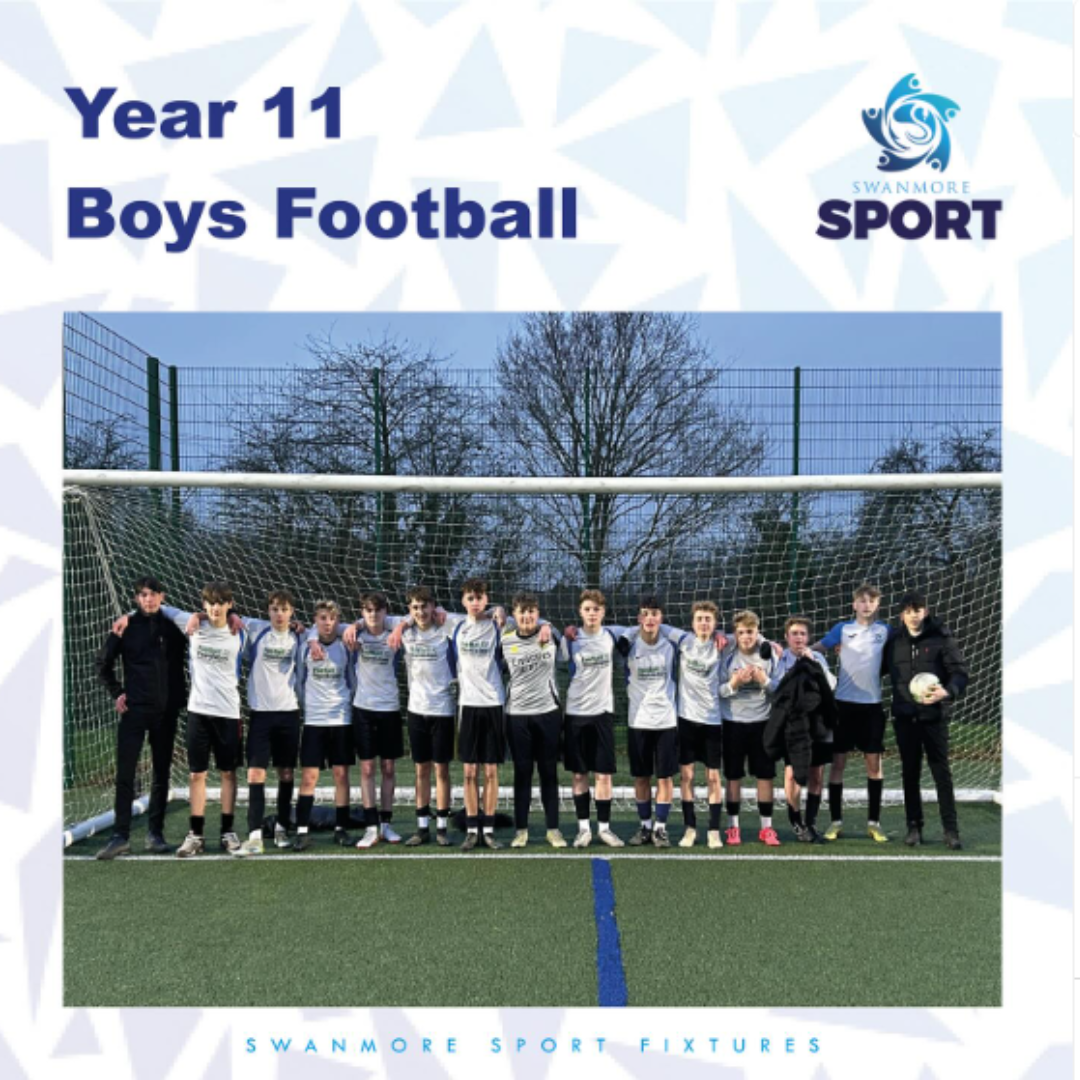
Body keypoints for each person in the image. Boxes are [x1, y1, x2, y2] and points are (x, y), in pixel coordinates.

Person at [150, 582, 247, 857]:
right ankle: (196, 835)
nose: (215, 608)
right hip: (198, 712)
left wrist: (307, 633)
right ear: (204, 604)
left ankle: (228, 832)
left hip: (229, 713)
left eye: (221, 603)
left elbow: (282, 623)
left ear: (230, 605)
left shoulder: (241, 630)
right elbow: (160, 606)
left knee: (228, 772)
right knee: (196, 774)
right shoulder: (192, 624)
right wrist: (197, 617)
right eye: (210, 603)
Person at [94, 576, 188, 859]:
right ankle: (120, 836)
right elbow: (103, 664)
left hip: (166, 711)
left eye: (153, 594)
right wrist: (117, 692)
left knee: (161, 772)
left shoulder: (175, 628)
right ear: (136, 599)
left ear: (163, 596)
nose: (148, 599)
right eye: (143, 595)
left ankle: (155, 834)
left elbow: (208, 619)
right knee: (126, 773)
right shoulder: (124, 628)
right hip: (135, 711)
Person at [881, 591, 969, 849]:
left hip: (934, 717)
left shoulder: (942, 638)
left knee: (941, 773)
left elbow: (960, 673)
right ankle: (914, 827)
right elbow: (878, 669)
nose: (913, 615)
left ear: (925, 611)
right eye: (908, 611)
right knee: (910, 773)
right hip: (905, 717)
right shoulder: (893, 641)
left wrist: (947, 691)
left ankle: (951, 831)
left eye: (917, 610)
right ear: (902, 615)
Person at [812, 584, 893, 843]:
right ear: (854, 605)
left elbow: (897, 656)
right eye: (862, 600)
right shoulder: (842, 630)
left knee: (874, 765)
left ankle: (874, 823)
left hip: (872, 707)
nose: (866, 604)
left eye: (872, 601)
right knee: (838, 765)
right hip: (843, 705)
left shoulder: (886, 631)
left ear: (878, 605)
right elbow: (816, 650)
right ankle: (836, 821)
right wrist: (791, 652)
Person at [230, 590, 304, 855]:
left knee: (286, 773)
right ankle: (254, 836)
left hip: (289, 713)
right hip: (260, 713)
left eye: (284, 609)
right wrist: (206, 617)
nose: (279, 614)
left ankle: (282, 828)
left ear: (292, 611)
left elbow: (328, 630)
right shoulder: (256, 629)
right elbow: (227, 614)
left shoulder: (300, 635)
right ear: (268, 612)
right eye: (274, 609)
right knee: (255, 773)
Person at [559, 589, 630, 848]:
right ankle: (583, 829)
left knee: (604, 775)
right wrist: (562, 631)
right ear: (580, 611)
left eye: (596, 609)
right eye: (587, 609)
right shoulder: (570, 640)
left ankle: (604, 829)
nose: (592, 613)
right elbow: (548, 639)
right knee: (579, 774)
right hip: (575, 714)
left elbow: (642, 628)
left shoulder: (611, 635)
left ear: (603, 612)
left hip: (602, 714)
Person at [387, 586, 455, 846]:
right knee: (421, 770)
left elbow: (484, 615)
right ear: (409, 610)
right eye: (415, 607)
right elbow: (370, 618)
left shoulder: (445, 628)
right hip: (416, 710)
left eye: (424, 606)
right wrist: (399, 627)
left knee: (442, 770)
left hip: (443, 710)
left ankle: (441, 826)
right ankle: (422, 827)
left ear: (433, 607)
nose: (420, 611)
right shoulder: (405, 632)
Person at [340, 592, 406, 848]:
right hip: (363, 708)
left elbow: (412, 618)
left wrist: (399, 626)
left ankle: (386, 825)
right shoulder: (354, 633)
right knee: (367, 768)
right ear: (362, 612)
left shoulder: (395, 630)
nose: (373, 616)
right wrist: (355, 625)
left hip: (389, 707)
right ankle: (370, 827)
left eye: (378, 611)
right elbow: (322, 628)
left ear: (385, 612)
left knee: (388, 767)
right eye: (368, 611)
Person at [501, 593, 565, 848]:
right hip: (516, 715)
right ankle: (521, 830)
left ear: (538, 614)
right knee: (522, 773)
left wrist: (547, 625)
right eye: (521, 612)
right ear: (514, 615)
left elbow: (567, 648)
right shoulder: (504, 641)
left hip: (548, 713)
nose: (527, 617)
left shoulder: (551, 636)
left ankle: (553, 829)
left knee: (548, 772)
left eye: (532, 612)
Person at [617, 595, 681, 848]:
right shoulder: (629, 643)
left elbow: (701, 637)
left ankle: (661, 829)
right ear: (639, 618)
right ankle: (644, 826)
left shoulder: (672, 643)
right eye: (645, 613)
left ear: (661, 618)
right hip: (638, 721)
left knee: (665, 778)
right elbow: (604, 630)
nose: (650, 618)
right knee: (641, 777)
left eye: (655, 614)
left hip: (666, 720)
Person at [766, 616, 837, 843]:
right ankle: (795, 821)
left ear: (808, 638)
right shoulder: (780, 660)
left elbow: (831, 684)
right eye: (794, 633)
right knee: (792, 774)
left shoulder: (817, 658)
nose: (798, 638)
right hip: (794, 725)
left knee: (817, 775)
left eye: (802, 634)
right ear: (786, 637)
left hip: (819, 724)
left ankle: (811, 822)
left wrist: (814, 664)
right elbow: (775, 689)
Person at [449, 578, 508, 851]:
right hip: (468, 705)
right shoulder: (455, 626)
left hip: (494, 704)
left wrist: (502, 609)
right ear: (464, 602)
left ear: (486, 599)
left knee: (491, 771)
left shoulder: (497, 624)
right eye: (470, 598)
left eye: (479, 598)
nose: (475, 603)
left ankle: (489, 829)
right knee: (470, 772)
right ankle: (472, 829)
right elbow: (410, 617)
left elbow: (536, 620)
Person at [293, 600, 355, 851]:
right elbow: (299, 680)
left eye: (332, 618)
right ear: (315, 620)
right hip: (314, 720)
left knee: (341, 775)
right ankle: (302, 830)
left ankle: (341, 828)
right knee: (309, 777)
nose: (327, 623)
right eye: (322, 618)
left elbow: (353, 679)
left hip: (341, 718)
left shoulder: (346, 646)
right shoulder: (305, 647)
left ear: (338, 621)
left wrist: (346, 704)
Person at [718, 610, 781, 846]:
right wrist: (735, 683)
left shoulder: (769, 653)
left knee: (765, 776)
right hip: (733, 722)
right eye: (742, 632)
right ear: (736, 633)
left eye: (751, 632)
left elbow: (778, 690)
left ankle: (767, 828)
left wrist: (763, 681)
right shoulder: (726, 653)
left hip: (762, 722)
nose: (746, 637)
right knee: (733, 776)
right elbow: (718, 691)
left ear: (758, 631)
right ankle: (733, 827)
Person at [674, 601, 727, 849]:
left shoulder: (723, 644)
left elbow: (748, 633)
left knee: (713, 777)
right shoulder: (683, 641)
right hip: (686, 720)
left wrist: (769, 643)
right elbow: (651, 625)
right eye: (700, 619)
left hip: (712, 721)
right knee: (687, 776)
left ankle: (714, 830)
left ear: (715, 623)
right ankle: (690, 828)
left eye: (708, 619)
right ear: (693, 623)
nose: (704, 623)